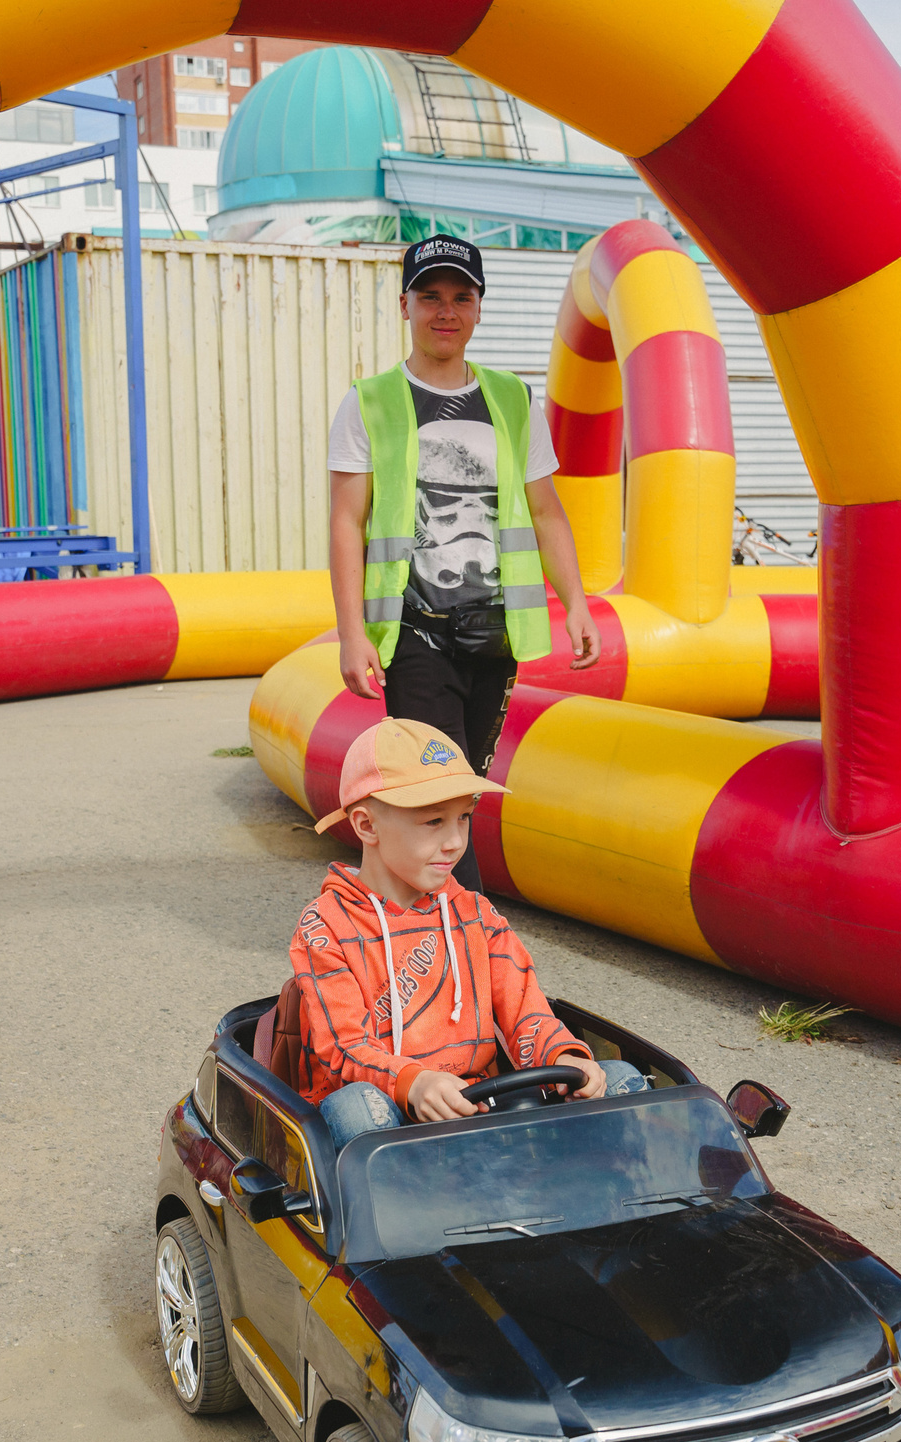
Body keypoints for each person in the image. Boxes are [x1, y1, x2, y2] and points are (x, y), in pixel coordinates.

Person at [325, 234, 602, 892]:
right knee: (436, 789)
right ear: (405, 306)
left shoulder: (512, 401)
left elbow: (547, 513)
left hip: (493, 633)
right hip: (415, 630)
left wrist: (579, 602)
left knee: (460, 796)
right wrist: (351, 631)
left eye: (460, 297)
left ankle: (424, 926)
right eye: (430, 297)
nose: (445, 311)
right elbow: (347, 521)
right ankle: (473, 937)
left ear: (478, 308)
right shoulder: (370, 402)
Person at [287, 718, 646, 1149]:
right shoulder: (324, 925)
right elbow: (344, 1047)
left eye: (464, 818)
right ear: (367, 826)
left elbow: (527, 1014)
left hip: (477, 1101)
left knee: (620, 1079)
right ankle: (400, 1209)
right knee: (358, 1108)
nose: (456, 841)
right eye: (434, 821)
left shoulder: (476, 913)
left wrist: (565, 1056)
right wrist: (413, 1084)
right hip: (385, 1109)